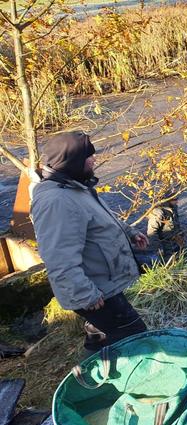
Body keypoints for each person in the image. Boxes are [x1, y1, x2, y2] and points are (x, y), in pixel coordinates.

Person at [30, 132, 149, 356]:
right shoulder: (57, 201)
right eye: (89, 157)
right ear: (71, 161)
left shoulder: (75, 187)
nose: (94, 160)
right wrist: (85, 294)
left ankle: (91, 378)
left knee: (102, 336)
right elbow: (58, 258)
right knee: (134, 336)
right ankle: (136, 383)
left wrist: (129, 232)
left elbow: (99, 219)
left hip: (101, 284)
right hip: (93, 289)